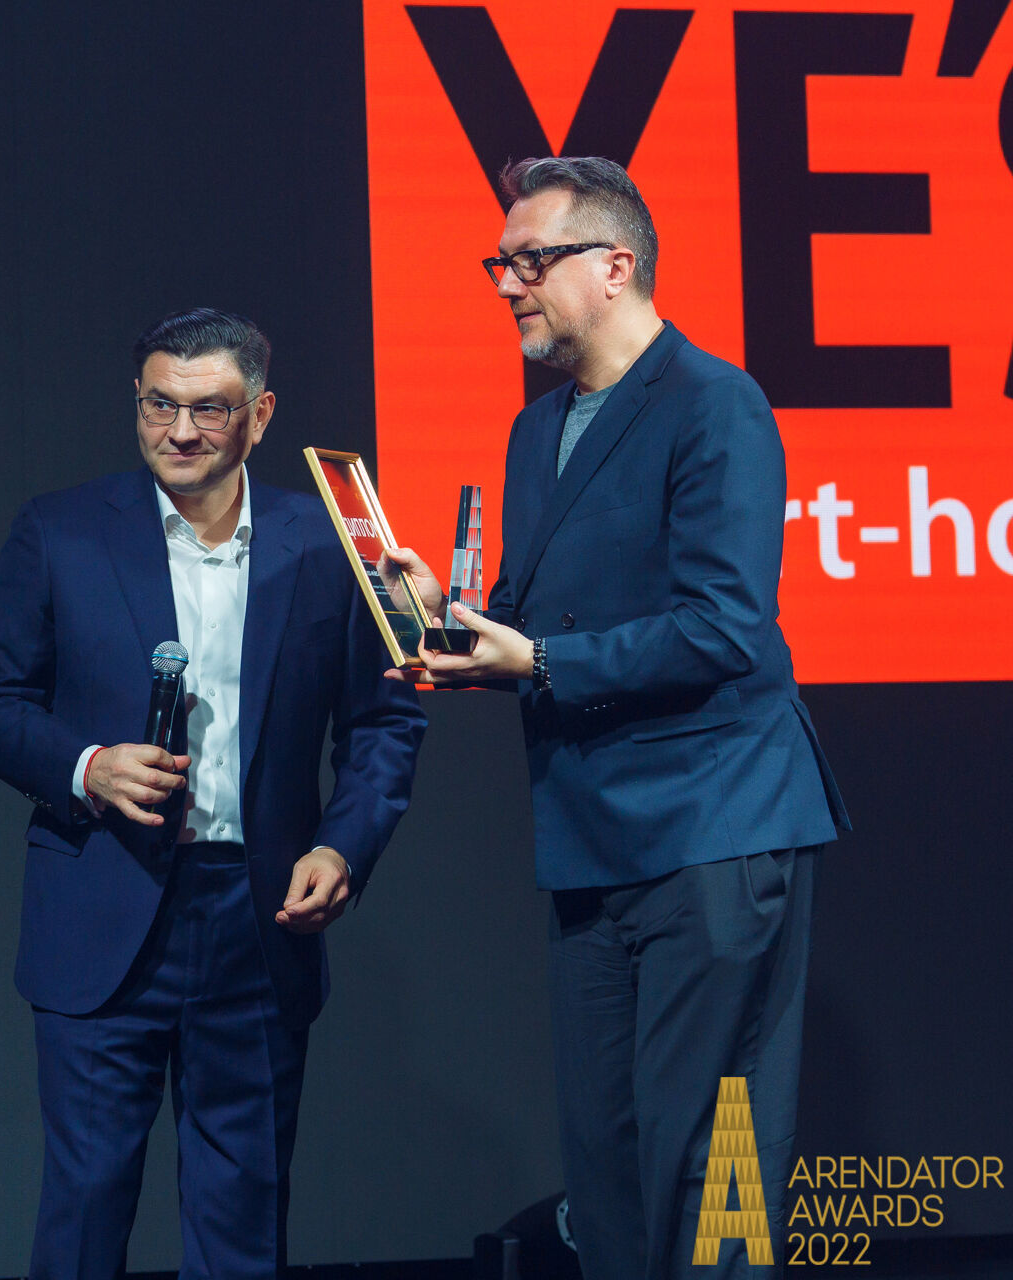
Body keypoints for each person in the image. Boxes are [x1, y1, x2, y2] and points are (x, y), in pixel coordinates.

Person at [381, 156, 850, 1279]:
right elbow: (542, 621)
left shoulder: (716, 403)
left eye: (531, 260)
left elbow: (723, 627)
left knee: (719, 1147)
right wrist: (451, 622)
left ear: (615, 266)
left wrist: (537, 659)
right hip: (593, 838)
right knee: (608, 1158)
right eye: (501, 263)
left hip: (716, 825)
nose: (508, 284)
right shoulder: (536, 430)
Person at [0, 308, 427, 1280]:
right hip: (102, 908)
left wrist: (342, 844)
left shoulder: (330, 543)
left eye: (208, 409)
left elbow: (385, 722)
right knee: (84, 1215)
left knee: (243, 1221)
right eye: (158, 405)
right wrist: (88, 766)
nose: (179, 431)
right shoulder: (61, 531)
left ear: (260, 414)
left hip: (258, 918)